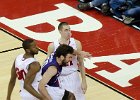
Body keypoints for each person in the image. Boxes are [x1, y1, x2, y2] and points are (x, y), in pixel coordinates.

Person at [45, 22, 88, 100]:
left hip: (73, 75)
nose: (69, 32)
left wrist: (84, 81)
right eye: (66, 30)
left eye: (69, 30)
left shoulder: (77, 43)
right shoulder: (53, 46)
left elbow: (81, 63)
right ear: (60, 31)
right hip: (59, 77)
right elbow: (47, 64)